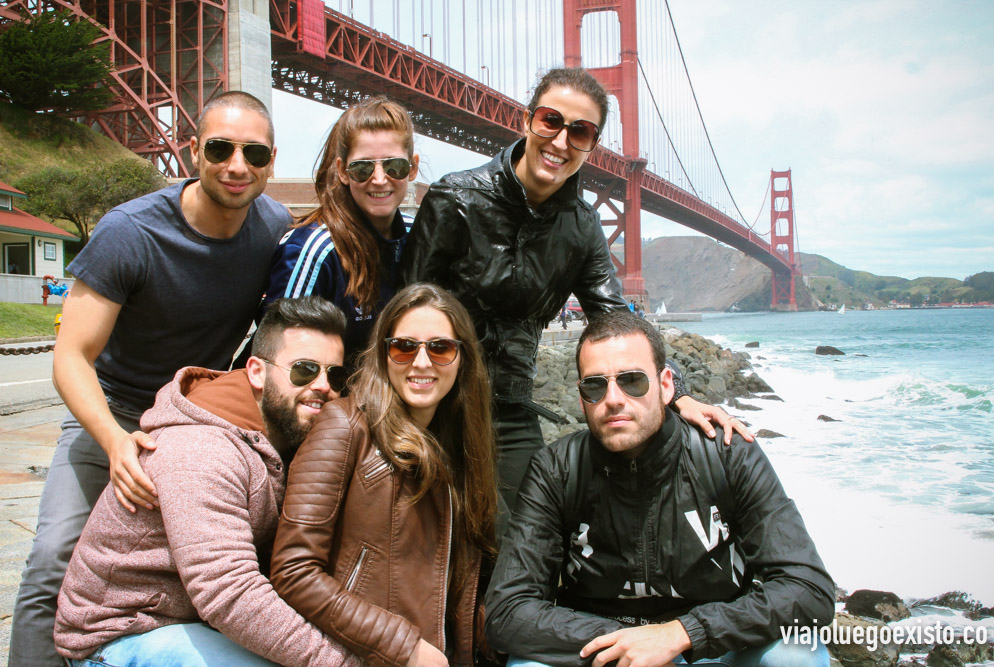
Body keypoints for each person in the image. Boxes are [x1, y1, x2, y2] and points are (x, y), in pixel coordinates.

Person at [10, 91, 292, 666]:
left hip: (196, 420)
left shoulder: (273, 224)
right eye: (220, 148)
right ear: (194, 151)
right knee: (53, 558)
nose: (237, 166)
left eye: (254, 154)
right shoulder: (128, 232)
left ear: (271, 161)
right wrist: (114, 442)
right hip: (114, 409)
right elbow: (70, 356)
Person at [402, 67, 749, 511]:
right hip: (435, 403)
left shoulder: (583, 228)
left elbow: (613, 320)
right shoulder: (456, 199)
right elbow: (405, 311)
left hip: (509, 410)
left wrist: (675, 393)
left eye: (580, 131)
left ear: (592, 145)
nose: (561, 142)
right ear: (527, 120)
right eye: (551, 121)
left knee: (529, 540)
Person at [486, 310, 835, 667]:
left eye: (632, 381)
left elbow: (808, 589)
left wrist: (681, 635)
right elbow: (507, 611)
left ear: (666, 385)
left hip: (715, 644)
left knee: (795, 656)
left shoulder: (727, 453)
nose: (614, 398)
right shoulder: (556, 470)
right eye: (594, 385)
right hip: (603, 648)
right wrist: (630, 645)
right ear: (581, 399)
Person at [54, 297, 356, 666]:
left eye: (335, 375)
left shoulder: (291, 435)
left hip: (198, 621)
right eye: (304, 370)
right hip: (121, 633)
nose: (323, 386)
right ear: (256, 372)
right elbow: (230, 592)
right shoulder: (200, 450)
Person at [269, 283, 497, 667]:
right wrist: (401, 647)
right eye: (404, 347)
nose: (421, 363)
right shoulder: (343, 426)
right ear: (384, 354)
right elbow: (293, 571)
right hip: (367, 657)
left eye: (440, 348)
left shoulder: (464, 445)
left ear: (462, 358)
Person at [257, 96, 418, 371]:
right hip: (326, 403)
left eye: (394, 167)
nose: (379, 179)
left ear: (412, 168)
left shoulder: (418, 233)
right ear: (343, 171)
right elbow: (280, 363)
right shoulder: (314, 249)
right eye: (362, 168)